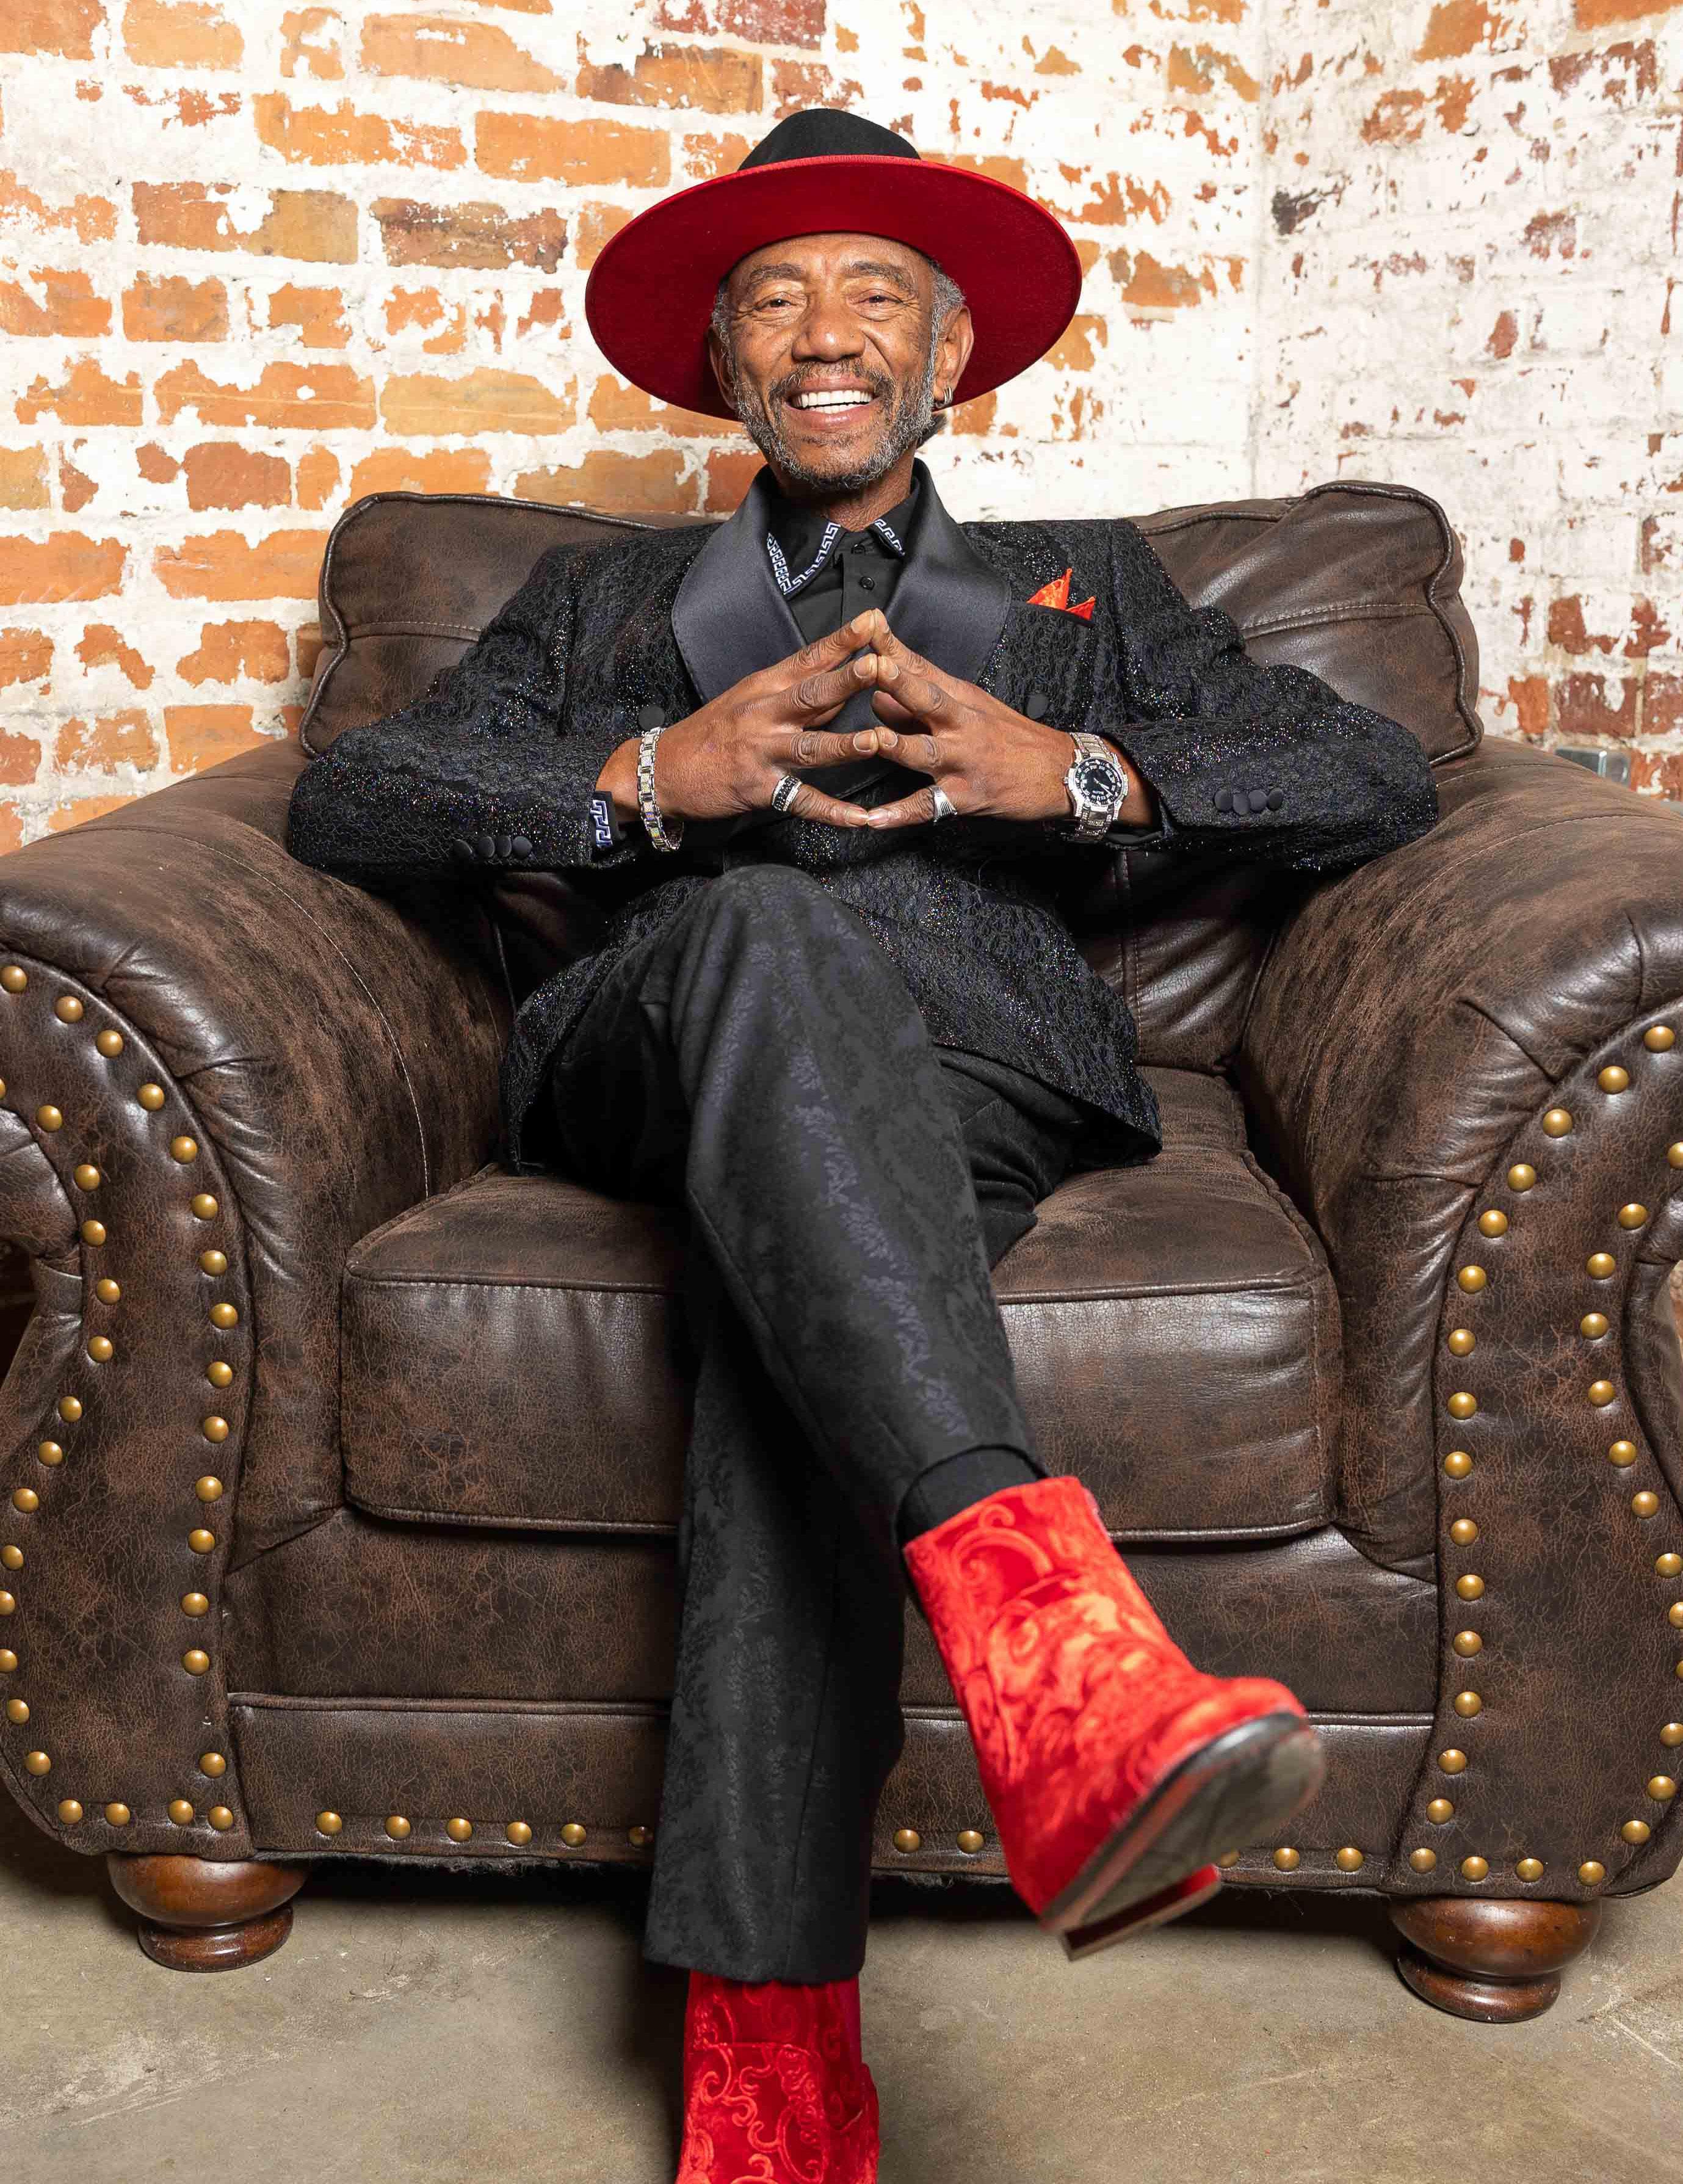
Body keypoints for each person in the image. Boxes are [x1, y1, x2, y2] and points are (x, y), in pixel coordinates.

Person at [286, 107, 1439, 2184]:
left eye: (875, 292)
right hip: (659, 1038)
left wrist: (1077, 769)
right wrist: (653, 777)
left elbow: (1373, 772)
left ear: (952, 350)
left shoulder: (1092, 589)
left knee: (789, 1301)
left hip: (972, 1059)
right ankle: (1051, 1649)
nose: (826, 333)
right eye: (777, 297)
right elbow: (353, 797)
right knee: (759, 932)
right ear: (722, 353)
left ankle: (775, 2058)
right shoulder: (602, 594)